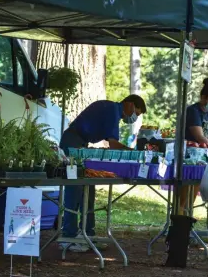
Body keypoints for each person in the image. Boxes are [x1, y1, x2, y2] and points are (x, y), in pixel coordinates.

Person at [60, 94, 147, 252]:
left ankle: (88, 234)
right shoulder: (113, 110)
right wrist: (133, 152)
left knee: (89, 189)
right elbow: (113, 144)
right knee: (74, 188)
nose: (134, 117)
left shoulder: (112, 109)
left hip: (81, 143)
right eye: (136, 113)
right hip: (72, 142)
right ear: (129, 104)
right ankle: (68, 237)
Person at [180, 78, 208, 214]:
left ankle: (186, 217)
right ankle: (179, 216)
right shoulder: (193, 111)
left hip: (204, 157)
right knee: (184, 193)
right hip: (190, 157)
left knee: (194, 190)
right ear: (203, 97)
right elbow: (199, 137)